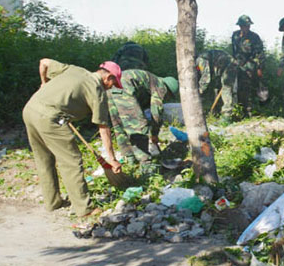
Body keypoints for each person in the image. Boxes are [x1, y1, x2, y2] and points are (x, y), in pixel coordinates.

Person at [22, 59, 122, 217]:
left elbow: (44, 63)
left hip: (30, 109)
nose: (111, 88)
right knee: (72, 161)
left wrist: (44, 83)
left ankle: (52, 202)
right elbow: (103, 128)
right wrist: (112, 158)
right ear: (108, 77)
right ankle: (84, 209)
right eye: (113, 84)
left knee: (43, 158)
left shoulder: (75, 69)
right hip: (50, 118)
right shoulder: (97, 90)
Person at [108, 70, 179, 166]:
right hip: (124, 88)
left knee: (119, 125)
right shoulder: (161, 87)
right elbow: (156, 113)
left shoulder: (152, 79)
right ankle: (146, 164)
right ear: (169, 91)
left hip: (111, 87)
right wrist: (154, 134)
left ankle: (130, 159)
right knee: (138, 126)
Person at [231, 15, 265, 115]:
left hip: (251, 65)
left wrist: (259, 68)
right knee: (239, 88)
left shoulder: (254, 37)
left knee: (251, 87)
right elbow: (234, 51)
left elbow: (259, 53)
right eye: (244, 26)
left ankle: (251, 110)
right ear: (240, 26)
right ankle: (241, 109)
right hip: (238, 65)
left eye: (248, 26)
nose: (246, 27)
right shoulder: (235, 35)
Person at [196, 49, 238, 120]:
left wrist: (200, 90)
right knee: (216, 88)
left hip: (229, 65)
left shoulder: (201, 60)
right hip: (219, 68)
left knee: (226, 88)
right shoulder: (197, 62)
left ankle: (228, 115)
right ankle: (217, 112)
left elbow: (206, 77)